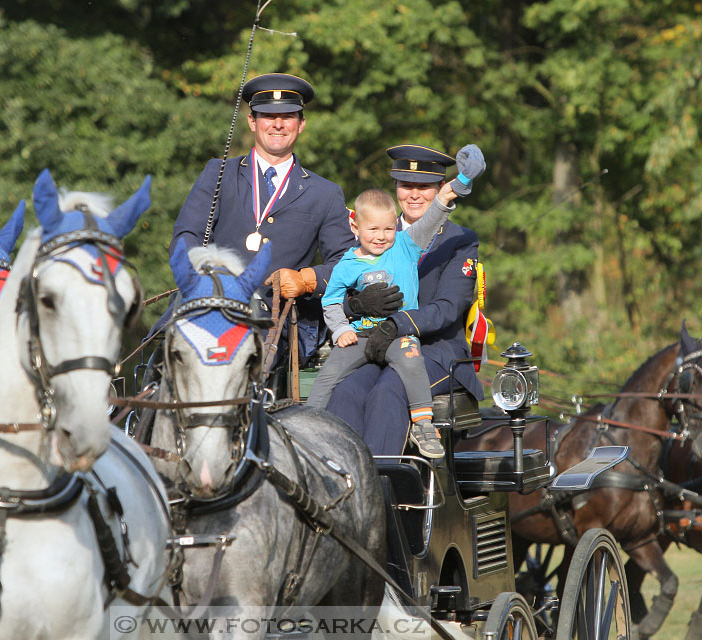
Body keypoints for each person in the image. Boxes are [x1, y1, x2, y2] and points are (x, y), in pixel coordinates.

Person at [170, 73, 355, 362]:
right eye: (268, 115)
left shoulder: (326, 193)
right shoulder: (219, 174)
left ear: (301, 124)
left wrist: (308, 279)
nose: (278, 124)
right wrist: (206, 279)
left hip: (275, 325)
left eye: (288, 116)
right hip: (210, 306)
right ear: (252, 122)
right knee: (160, 359)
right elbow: (186, 237)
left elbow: (347, 262)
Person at [326, 144, 486, 457]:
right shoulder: (376, 235)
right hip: (379, 347)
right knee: (346, 391)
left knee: (390, 389)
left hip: (436, 351)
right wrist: (356, 305)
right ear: (395, 188)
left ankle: (381, 487)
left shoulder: (460, 240)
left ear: (441, 188)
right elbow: (338, 295)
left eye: (424, 187)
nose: (414, 194)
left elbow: (448, 308)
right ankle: (338, 480)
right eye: (406, 185)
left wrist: (397, 323)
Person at [307, 186, 462, 457]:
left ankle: (423, 424)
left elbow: (429, 222)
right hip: (360, 336)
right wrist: (341, 328)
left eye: (388, 229)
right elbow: (330, 301)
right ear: (355, 227)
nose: (381, 237)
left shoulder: (405, 245)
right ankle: (309, 427)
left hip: (397, 334)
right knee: (328, 376)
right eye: (373, 230)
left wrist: (444, 198)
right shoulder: (346, 264)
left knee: (412, 361)